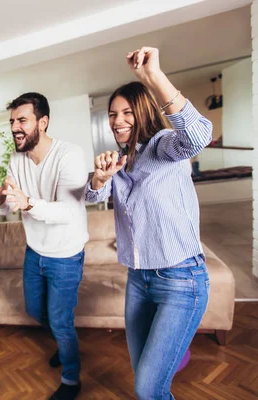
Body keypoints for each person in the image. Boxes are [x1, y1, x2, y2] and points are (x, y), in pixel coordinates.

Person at [85, 47, 211, 400]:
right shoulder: (120, 161)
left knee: (148, 389)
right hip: (138, 280)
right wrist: (99, 179)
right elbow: (91, 198)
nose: (117, 120)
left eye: (126, 112)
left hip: (181, 280)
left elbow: (199, 136)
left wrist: (153, 76)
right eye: (112, 114)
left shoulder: (162, 146)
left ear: (143, 112)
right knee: (146, 378)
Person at [0, 93, 89, 400]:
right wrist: (0, 202)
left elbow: (68, 211)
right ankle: (63, 344)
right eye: (12, 121)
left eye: (22, 120)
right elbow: (11, 203)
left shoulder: (70, 155)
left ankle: (71, 378)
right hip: (35, 251)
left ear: (43, 122)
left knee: (60, 319)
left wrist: (28, 203)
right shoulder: (17, 159)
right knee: (34, 309)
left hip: (66, 255)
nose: (15, 127)